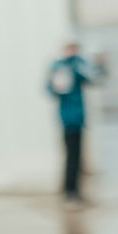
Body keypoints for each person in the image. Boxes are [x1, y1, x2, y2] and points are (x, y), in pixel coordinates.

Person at [45, 41, 102, 207]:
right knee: (70, 157)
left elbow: (94, 78)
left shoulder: (79, 65)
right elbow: (51, 89)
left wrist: (99, 63)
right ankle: (69, 192)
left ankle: (75, 192)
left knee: (78, 158)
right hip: (67, 119)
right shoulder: (59, 67)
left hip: (78, 119)